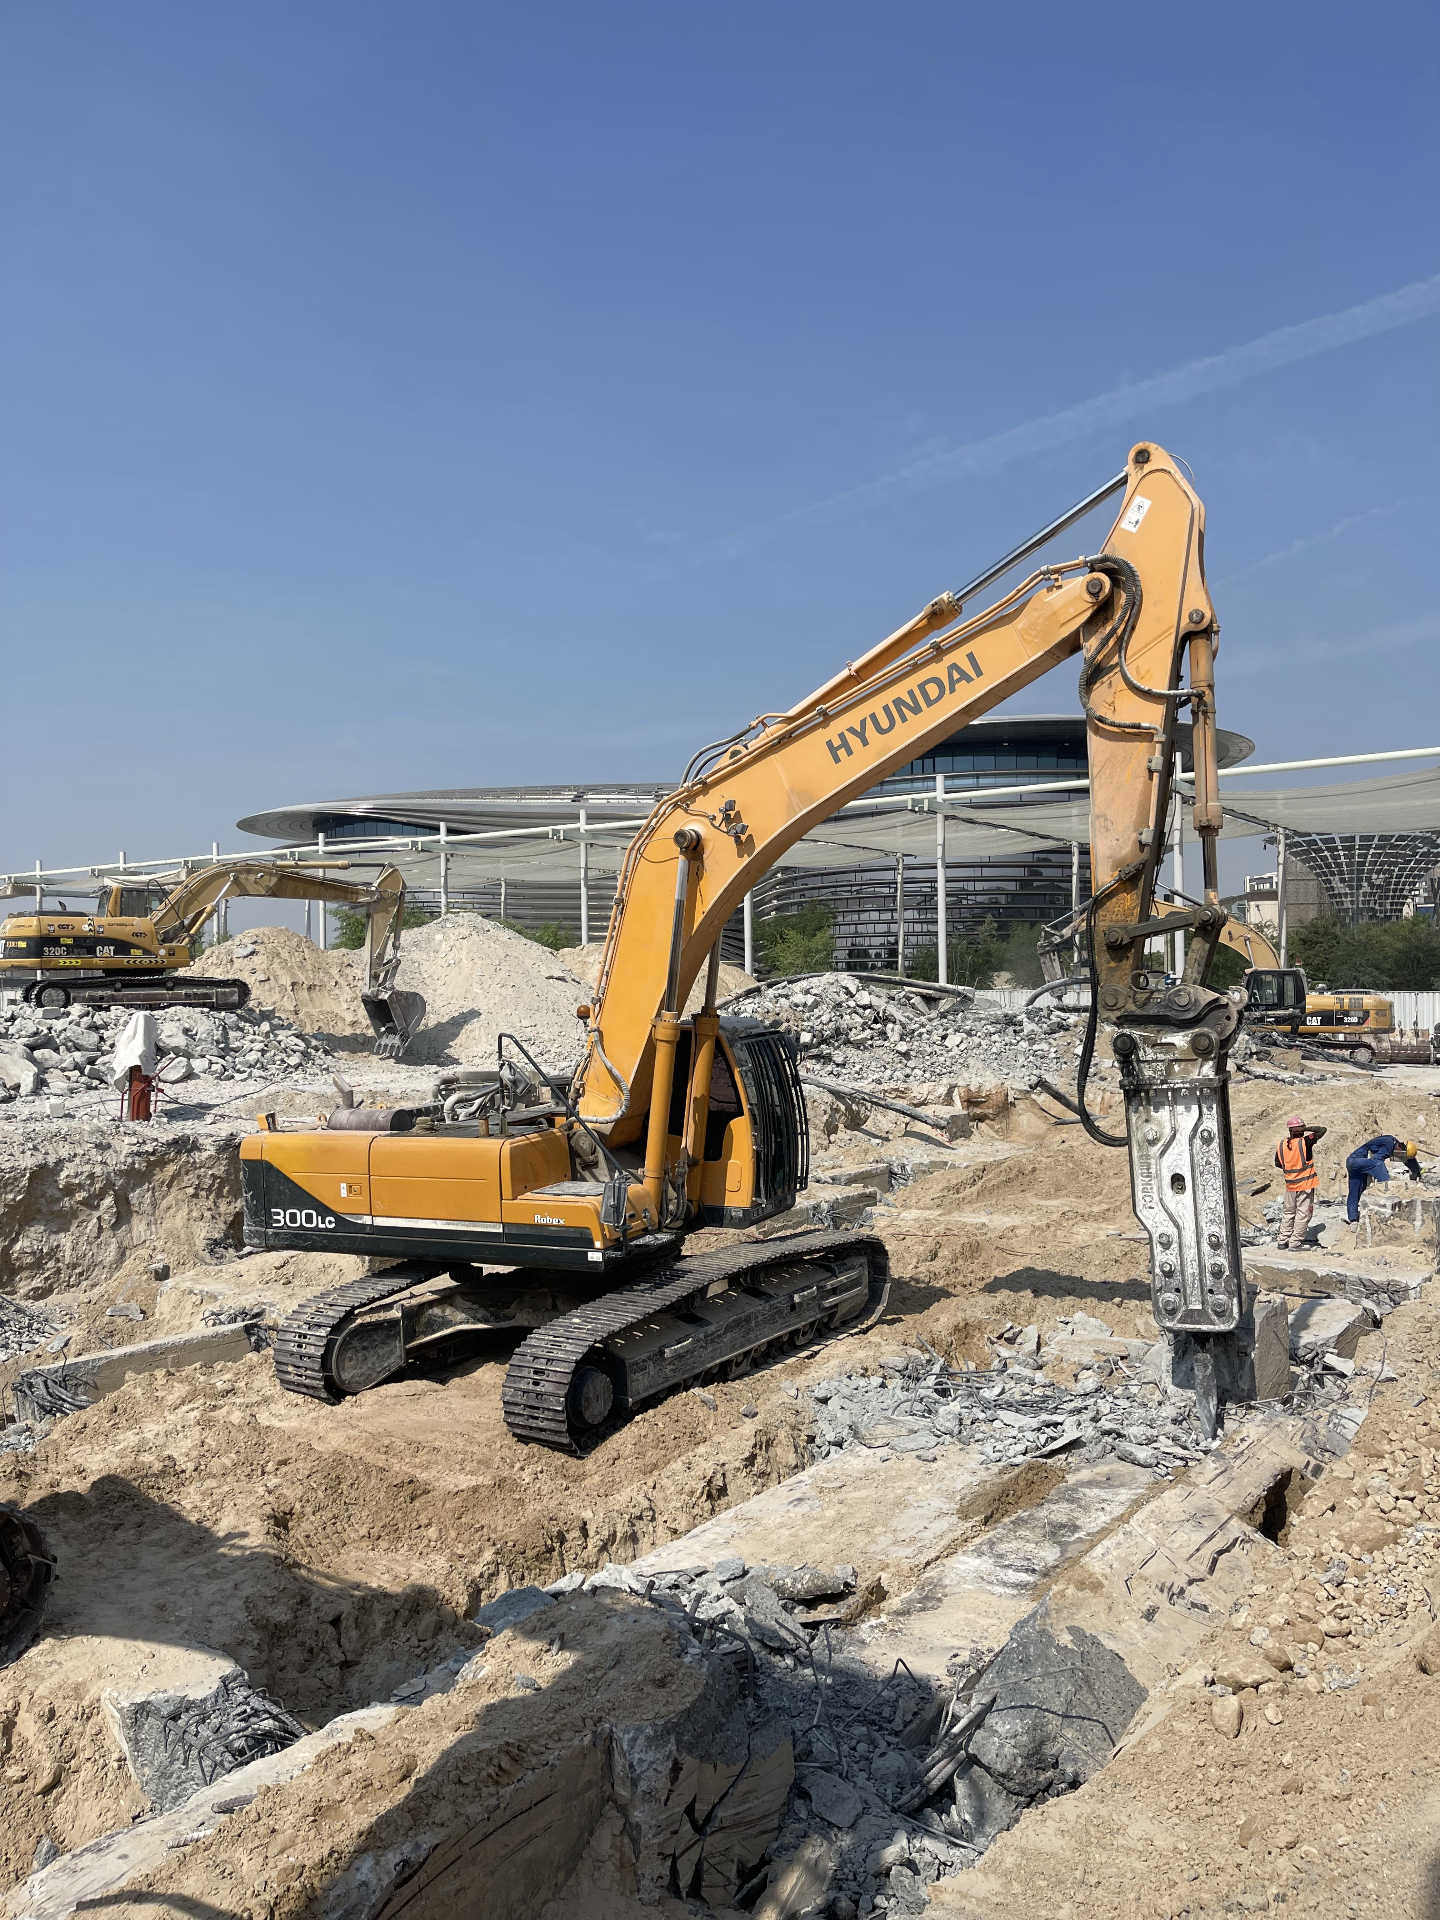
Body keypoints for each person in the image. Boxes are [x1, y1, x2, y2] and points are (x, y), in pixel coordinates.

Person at [1274, 1115, 1326, 1249]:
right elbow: (1322, 1130)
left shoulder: (1281, 1145)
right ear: (1301, 1130)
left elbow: (1278, 1164)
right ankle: (1295, 1243)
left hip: (1290, 1185)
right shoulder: (1305, 1142)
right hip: (1305, 1185)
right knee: (1303, 1214)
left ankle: (1282, 1240)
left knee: (1288, 1213)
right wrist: (1306, 1128)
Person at [1345, 1134, 1423, 1224]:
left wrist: (1417, 1172)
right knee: (1379, 1165)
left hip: (1358, 1163)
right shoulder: (1389, 1144)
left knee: (1355, 1190)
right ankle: (1387, 1192)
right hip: (1355, 1161)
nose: (1400, 1158)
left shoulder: (1396, 1145)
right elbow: (1378, 1159)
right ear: (1400, 1149)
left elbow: (1407, 1159)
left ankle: (1353, 1220)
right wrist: (1387, 1180)